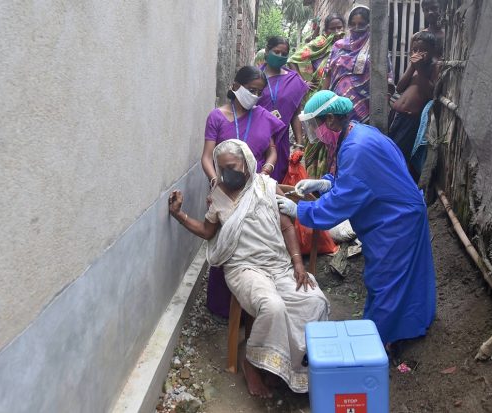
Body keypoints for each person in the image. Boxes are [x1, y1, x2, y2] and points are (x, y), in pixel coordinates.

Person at [275, 90, 436, 352]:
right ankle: (402, 330)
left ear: (330, 120)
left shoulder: (358, 147)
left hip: (396, 221)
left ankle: (375, 346)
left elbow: (344, 200)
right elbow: (355, 181)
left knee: (386, 281)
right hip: (394, 214)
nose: (314, 130)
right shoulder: (355, 133)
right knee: (402, 278)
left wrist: (300, 211)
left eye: (314, 124)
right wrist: (326, 182)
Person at [171, 140, 329, 397]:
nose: (226, 174)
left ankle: (286, 363)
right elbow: (208, 231)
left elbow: (287, 226)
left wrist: (298, 263)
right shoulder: (219, 195)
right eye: (221, 169)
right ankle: (252, 364)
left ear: (245, 162)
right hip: (243, 269)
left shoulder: (266, 186)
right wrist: (180, 215)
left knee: (313, 300)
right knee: (272, 306)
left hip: (278, 265)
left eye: (231, 167)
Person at [201, 66, 286, 318]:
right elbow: (206, 157)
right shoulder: (217, 117)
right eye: (251, 90)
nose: (255, 96)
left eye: (259, 92)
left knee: (254, 243)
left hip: (256, 189)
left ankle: (254, 305)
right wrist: (216, 181)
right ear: (235, 86)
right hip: (226, 189)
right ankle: (220, 308)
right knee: (225, 241)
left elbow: (271, 149)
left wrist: (268, 167)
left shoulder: (263, 116)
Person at [288, 13, 346, 178]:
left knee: (331, 139)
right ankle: (312, 178)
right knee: (315, 138)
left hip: (335, 100)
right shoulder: (319, 44)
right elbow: (293, 58)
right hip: (317, 99)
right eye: (332, 28)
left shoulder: (346, 47)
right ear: (326, 31)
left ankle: (326, 178)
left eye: (340, 28)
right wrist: (302, 82)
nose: (337, 31)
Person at [322, 5, 394, 124]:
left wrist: (383, 105)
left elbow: (388, 77)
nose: (356, 28)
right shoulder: (338, 46)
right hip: (339, 105)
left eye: (361, 24)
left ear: (369, 24)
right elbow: (328, 75)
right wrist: (323, 102)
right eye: (353, 24)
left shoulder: (376, 48)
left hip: (367, 105)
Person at [258, 36, 310, 182]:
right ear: (267, 51)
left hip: (281, 141)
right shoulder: (255, 77)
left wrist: (299, 143)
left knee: (277, 180)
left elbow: (296, 114)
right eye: (276, 52)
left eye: (284, 54)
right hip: (257, 138)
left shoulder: (294, 80)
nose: (280, 56)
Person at [390, 31, 439, 181]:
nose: (418, 53)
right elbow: (399, 88)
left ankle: (400, 188)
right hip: (396, 116)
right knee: (390, 151)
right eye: (414, 50)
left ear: (432, 50)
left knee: (399, 157)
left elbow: (432, 93)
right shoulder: (414, 67)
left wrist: (419, 68)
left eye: (422, 50)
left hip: (410, 120)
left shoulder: (434, 66)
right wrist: (412, 66)